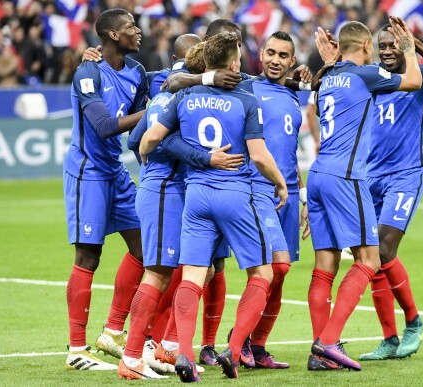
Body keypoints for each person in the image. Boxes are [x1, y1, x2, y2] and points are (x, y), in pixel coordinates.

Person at [139, 32, 287, 382]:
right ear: (234, 64)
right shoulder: (245, 100)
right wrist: (280, 183)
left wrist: (149, 154)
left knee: (191, 278)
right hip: (236, 194)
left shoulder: (185, 96)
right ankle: (234, 351)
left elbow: (150, 139)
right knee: (262, 274)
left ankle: (185, 354)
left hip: (196, 196)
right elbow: (260, 156)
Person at [116, 35, 245, 380]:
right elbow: (146, 141)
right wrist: (195, 159)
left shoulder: (165, 96)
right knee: (157, 273)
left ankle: (169, 347)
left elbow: (137, 141)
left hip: (175, 190)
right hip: (164, 191)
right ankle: (131, 357)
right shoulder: (184, 98)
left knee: (201, 271)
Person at [306, 18, 422, 371]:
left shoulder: (326, 77)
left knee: (324, 267)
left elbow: (326, 82)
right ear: (368, 47)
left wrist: (332, 59)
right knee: (369, 260)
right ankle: (327, 342)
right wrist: (410, 50)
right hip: (346, 176)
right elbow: (414, 81)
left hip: (317, 174)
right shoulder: (364, 74)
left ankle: (319, 353)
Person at [359, 25, 423, 361]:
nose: (387, 51)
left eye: (393, 46)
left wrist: (416, 46)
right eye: (382, 46)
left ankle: (414, 321)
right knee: (369, 258)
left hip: (405, 175)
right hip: (368, 176)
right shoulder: (370, 79)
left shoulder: (421, 76)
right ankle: (388, 338)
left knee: (384, 248)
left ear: (403, 49)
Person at [63, 8, 148, 371]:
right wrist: (154, 111)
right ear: (113, 34)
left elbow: (143, 124)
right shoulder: (88, 71)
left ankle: (112, 334)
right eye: (130, 26)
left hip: (115, 170)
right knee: (88, 256)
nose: (138, 30)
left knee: (147, 250)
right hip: (88, 171)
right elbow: (102, 125)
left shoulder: (138, 72)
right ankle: (76, 349)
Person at [232, 30, 308, 370]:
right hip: (259, 190)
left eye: (283, 56)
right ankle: (240, 337)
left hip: (290, 194)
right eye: (271, 53)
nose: (276, 60)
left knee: (283, 269)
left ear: (292, 61)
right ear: (261, 55)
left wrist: (302, 196)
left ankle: (258, 346)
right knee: (271, 267)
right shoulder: (245, 86)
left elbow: (289, 151)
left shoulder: (294, 98)